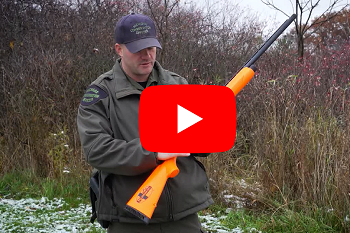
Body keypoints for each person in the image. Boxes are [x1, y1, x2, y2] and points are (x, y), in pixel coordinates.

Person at [77, 13, 213, 233]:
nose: (146, 55)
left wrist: (214, 124)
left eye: (150, 47)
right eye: (137, 48)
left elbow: (198, 139)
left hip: (184, 214)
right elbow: (97, 150)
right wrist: (153, 151)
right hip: (129, 218)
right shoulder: (101, 93)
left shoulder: (177, 84)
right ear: (119, 49)